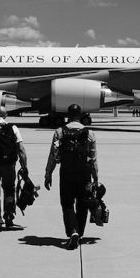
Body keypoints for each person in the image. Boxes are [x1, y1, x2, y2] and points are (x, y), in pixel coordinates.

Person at [44, 104, 99, 250]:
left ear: (68, 115)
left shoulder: (60, 132)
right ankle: (79, 233)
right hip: (84, 173)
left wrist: (48, 173)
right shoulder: (90, 133)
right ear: (80, 115)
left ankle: (73, 232)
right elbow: (92, 158)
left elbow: (53, 155)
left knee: (67, 204)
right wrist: (95, 177)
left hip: (66, 172)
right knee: (82, 204)